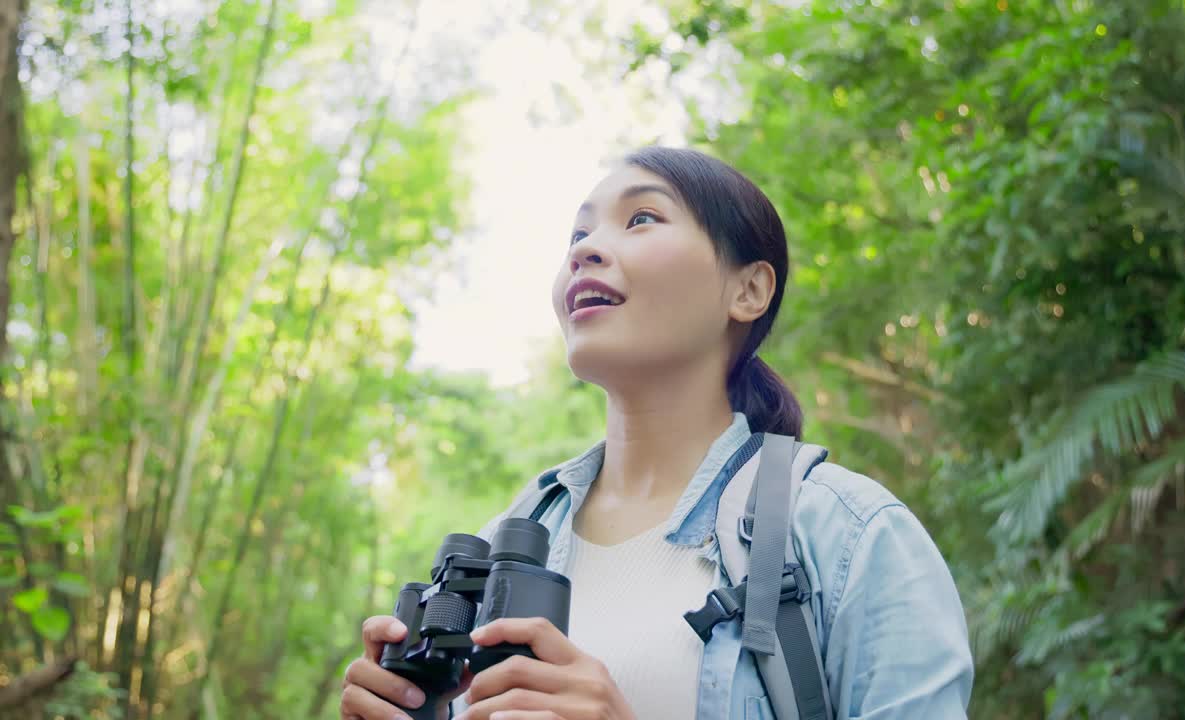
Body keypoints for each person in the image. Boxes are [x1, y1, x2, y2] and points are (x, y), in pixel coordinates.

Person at [339, 147, 974, 720]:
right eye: (578, 233)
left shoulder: (850, 536)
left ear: (748, 289)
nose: (582, 250)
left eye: (641, 218)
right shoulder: (505, 541)